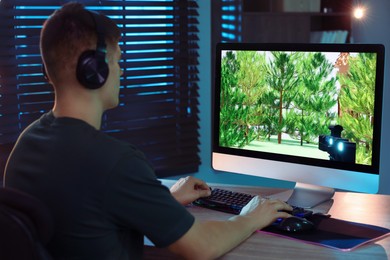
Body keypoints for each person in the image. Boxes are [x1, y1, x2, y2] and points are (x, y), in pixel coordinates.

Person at [3, 2, 292, 259]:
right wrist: (250, 217)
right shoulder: (116, 162)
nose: (121, 70)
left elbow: (84, 210)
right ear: (94, 70)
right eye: (117, 60)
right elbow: (201, 247)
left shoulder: (26, 145)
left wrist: (161, 201)